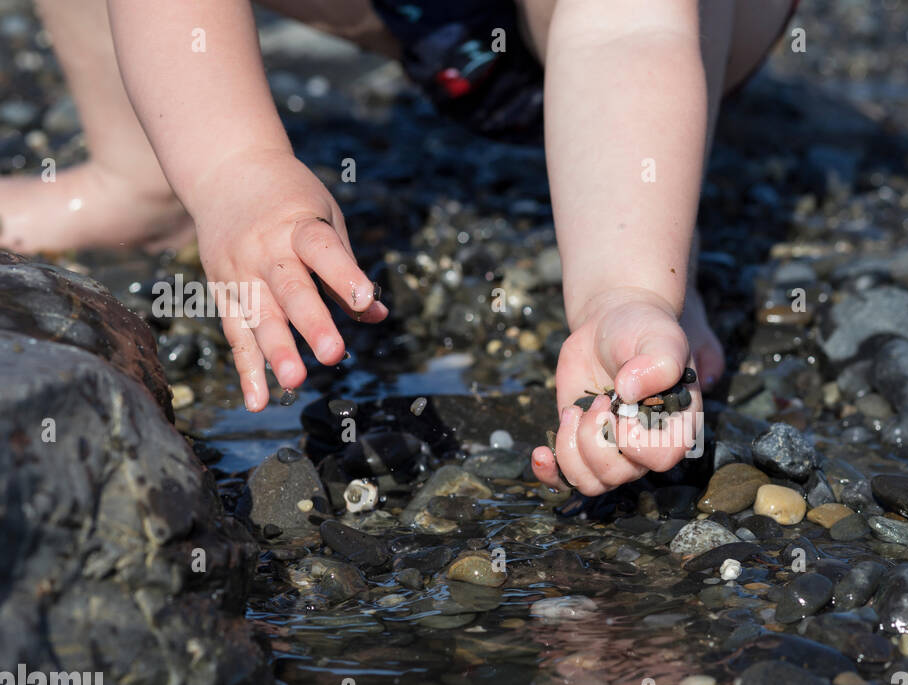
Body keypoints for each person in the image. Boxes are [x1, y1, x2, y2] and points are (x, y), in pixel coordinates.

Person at [0, 0, 795, 495]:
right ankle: (141, 170)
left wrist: (626, 287)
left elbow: (630, 32)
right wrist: (235, 171)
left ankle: (640, 255)